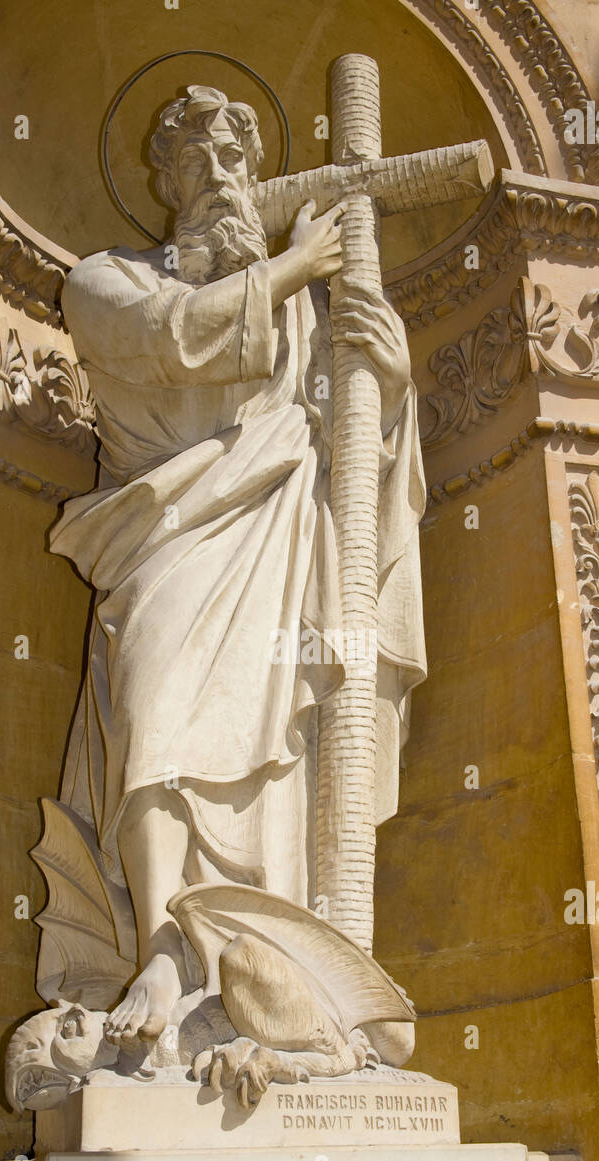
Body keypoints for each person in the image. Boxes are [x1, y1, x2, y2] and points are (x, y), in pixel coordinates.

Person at [42, 85, 426, 1056]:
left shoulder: (300, 316)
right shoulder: (104, 280)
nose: (219, 178)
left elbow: (351, 456)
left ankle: (271, 983)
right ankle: (167, 943)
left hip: (280, 542)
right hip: (162, 544)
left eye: (234, 162)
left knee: (279, 747)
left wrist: (386, 387)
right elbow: (172, 338)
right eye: (196, 162)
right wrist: (299, 262)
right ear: (161, 180)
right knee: (156, 715)